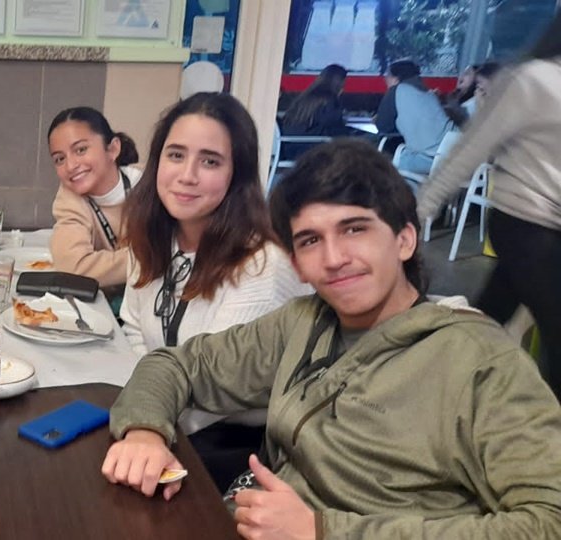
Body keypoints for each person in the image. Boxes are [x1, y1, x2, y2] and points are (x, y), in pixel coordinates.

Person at [103, 138, 561, 539]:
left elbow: (549, 522)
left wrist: (323, 531)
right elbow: (177, 365)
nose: (334, 257)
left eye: (354, 229)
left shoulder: (481, 362)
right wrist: (145, 431)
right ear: (297, 265)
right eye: (310, 240)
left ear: (404, 240)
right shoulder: (302, 323)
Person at [118, 93, 309, 487]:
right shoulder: (151, 237)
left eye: (210, 161)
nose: (187, 175)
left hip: (236, 447)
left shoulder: (262, 265)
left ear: (237, 175)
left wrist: (146, 425)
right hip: (160, 418)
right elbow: (134, 329)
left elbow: (219, 390)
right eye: (176, 155)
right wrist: (141, 409)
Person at [418, 15, 561, 398]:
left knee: (489, 316)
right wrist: (416, 215)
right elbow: (470, 149)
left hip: (547, 228)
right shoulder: (532, 80)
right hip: (526, 223)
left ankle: (437, 384)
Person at [47, 106, 141, 295]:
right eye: (59, 159)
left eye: (81, 150)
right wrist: (146, 261)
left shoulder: (152, 186)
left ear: (113, 149)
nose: (70, 166)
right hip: (107, 303)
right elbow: (73, 268)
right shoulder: (70, 198)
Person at [375, 59, 454, 174]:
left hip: (428, 160)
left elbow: (383, 126)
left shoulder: (396, 90)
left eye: (387, 76)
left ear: (396, 78)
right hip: (452, 154)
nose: (385, 79)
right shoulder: (429, 94)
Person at [281, 64, 352, 151]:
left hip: (290, 145)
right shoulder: (328, 99)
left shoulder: (306, 97)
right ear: (339, 82)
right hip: (311, 147)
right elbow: (333, 123)